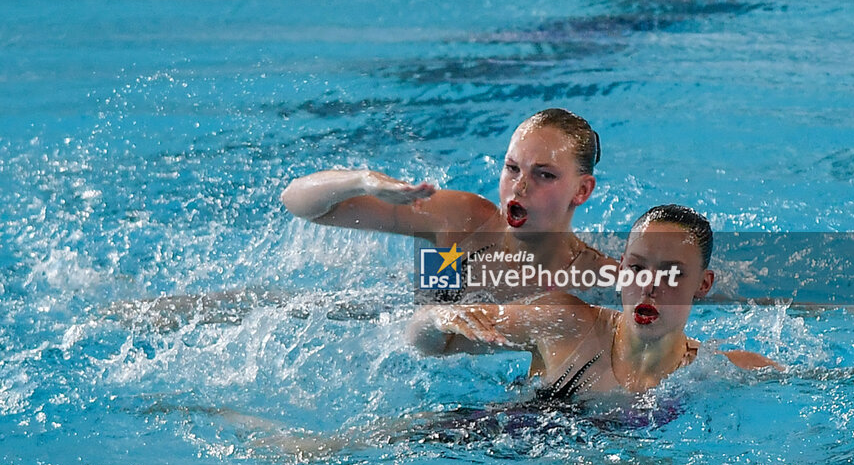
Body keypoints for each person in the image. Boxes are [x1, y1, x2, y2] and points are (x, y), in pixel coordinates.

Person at [408, 204, 781, 398]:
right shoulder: (565, 322)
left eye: (672, 273)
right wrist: (440, 317)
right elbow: (425, 345)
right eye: (637, 268)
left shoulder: (717, 371)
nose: (649, 286)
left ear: (703, 284)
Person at [281, 108, 616, 302]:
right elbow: (297, 201)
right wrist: (363, 182)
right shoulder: (464, 220)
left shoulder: (597, 281)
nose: (520, 186)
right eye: (512, 168)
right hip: (383, 306)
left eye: (544, 175)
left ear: (582, 191)